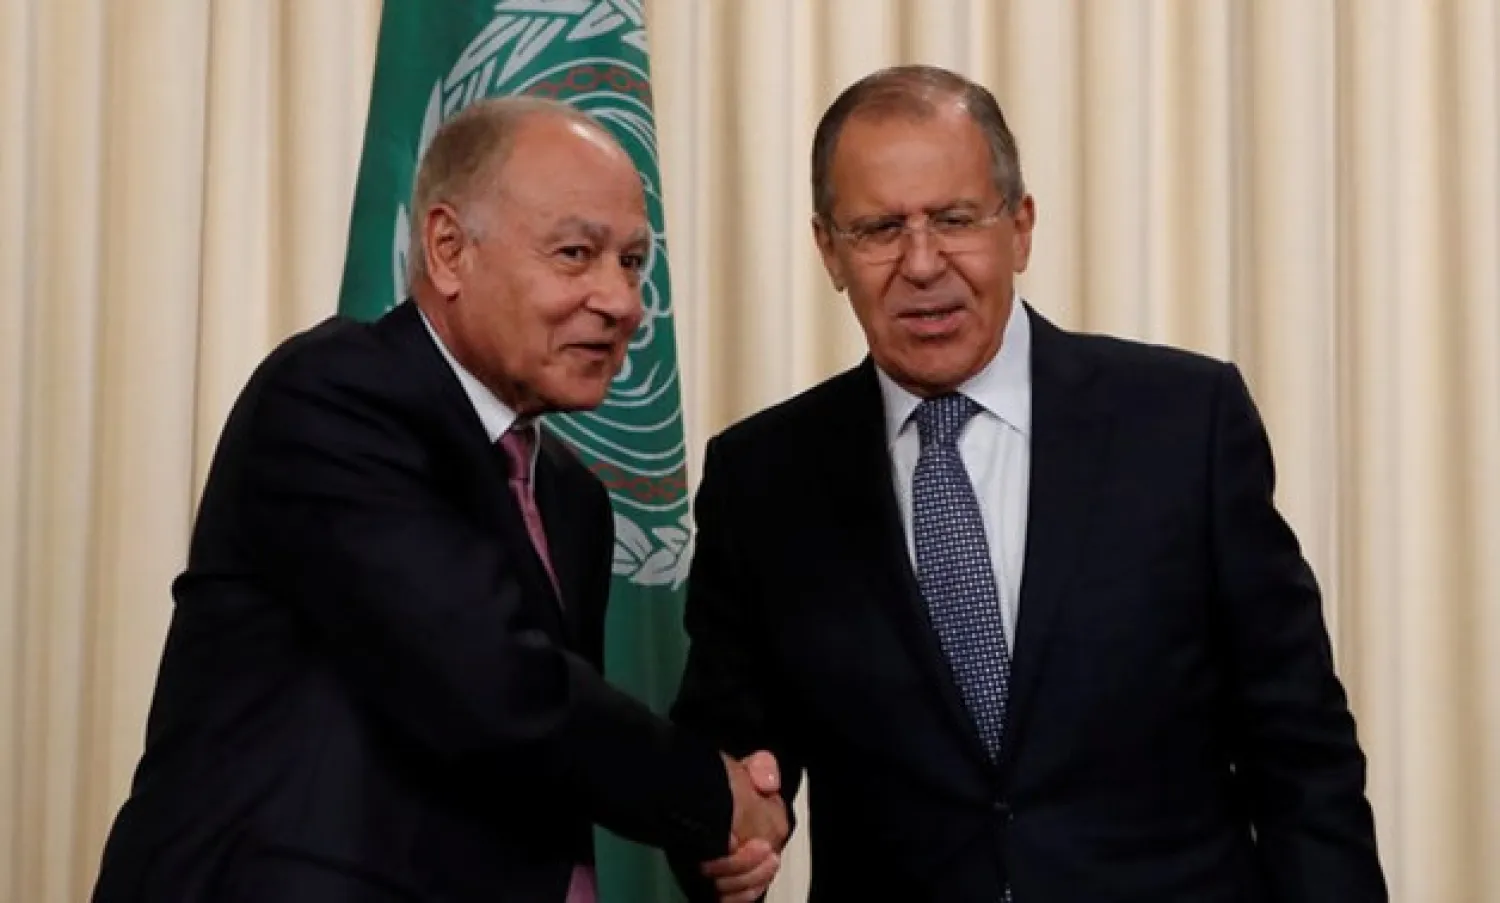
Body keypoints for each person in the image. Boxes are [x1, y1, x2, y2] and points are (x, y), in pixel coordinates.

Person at [670, 65, 1387, 902]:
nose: (923, 262)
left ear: (1021, 226)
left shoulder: (1184, 423)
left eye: (955, 218)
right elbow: (727, 767)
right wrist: (723, 835)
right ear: (829, 250)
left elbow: (1301, 750)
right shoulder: (763, 478)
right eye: (878, 229)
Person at [89, 96, 786, 903]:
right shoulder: (333, 397)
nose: (622, 301)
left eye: (632, 262)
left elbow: (543, 771)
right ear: (448, 249)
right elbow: (494, 689)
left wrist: (717, 843)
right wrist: (712, 794)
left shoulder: (572, 496)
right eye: (574, 253)